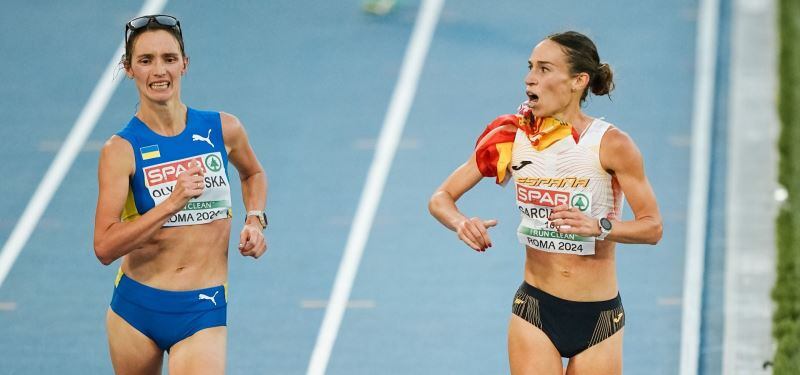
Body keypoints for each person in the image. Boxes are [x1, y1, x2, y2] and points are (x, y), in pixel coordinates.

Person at [428, 31, 662, 374]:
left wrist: (600, 226)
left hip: (599, 319)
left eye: (544, 69)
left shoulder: (612, 144)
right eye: (530, 67)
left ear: (578, 81)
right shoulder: (511, 134)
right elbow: (441, 197)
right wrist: (461, 223)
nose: (529, 78)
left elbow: (652, 227)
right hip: (536, 310)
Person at [93, 14, 268, 374]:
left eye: (169, 59)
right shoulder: (121, 150)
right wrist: (171, 204)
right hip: (136, 310)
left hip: (202, 307)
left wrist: (255, 219)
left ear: (184, 64)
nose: (159, 71)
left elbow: (253, 173)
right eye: (146, 60)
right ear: (129, 69)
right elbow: (104, 247)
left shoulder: (223, 128)